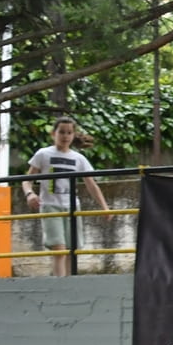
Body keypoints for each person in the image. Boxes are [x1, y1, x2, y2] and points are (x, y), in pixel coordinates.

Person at [23, 115, 110, 277]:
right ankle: (60, 284)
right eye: (61, 132)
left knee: (71, 249)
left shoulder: (79, 158)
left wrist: (105, 207)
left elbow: (91, 185)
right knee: (59, 249)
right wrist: (30, 194)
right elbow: (27, 180)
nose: (65, 136)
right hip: (50, 206)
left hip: (72, 206)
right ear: (53, 134)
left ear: (73, 135)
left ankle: (69, 282)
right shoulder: (43, 154)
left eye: (69, 132)